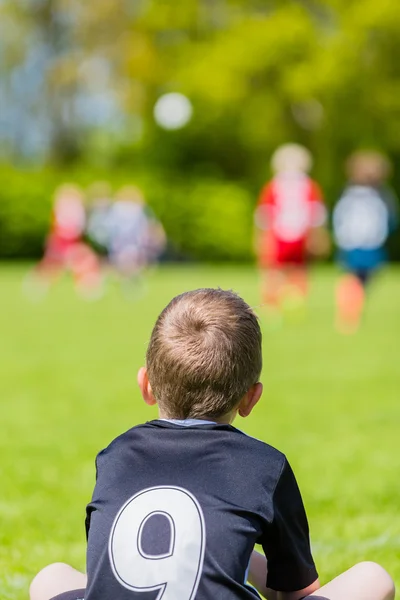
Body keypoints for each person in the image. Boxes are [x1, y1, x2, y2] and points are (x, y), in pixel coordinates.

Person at [30, 289, 395, 600]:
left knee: (49, 577)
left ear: (145, 384)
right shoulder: (264, 465)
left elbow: (104, 569)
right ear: (251, 399)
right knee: (373, 577)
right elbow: (296, 591)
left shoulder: (114, 455)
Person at [255, 144, 328, 320]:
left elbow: (264, 216)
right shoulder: (309, 186)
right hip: (300, 235)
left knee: (274, 273)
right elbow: (317, 215)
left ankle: (273, 308)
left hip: (279, 235)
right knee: (299, 271)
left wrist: (261, 238)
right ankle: (294, 304)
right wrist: (319, 236)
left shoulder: (273, 186)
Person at [333, 151, 398, 333]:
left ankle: (352, 309)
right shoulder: (379, 196)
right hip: (365, 243)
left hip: (360, 243)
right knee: (354, 279)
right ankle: (349, 313)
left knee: (361, 278)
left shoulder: (354, 193)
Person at [28, 184, 102, 299]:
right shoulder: (63, 209)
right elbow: (60, 226)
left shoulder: (75, 209)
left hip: (72, 241)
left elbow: (79, 227)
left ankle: (87, 287)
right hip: (62, 241)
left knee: (83, 264)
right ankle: (39, 284)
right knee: (53, 266)